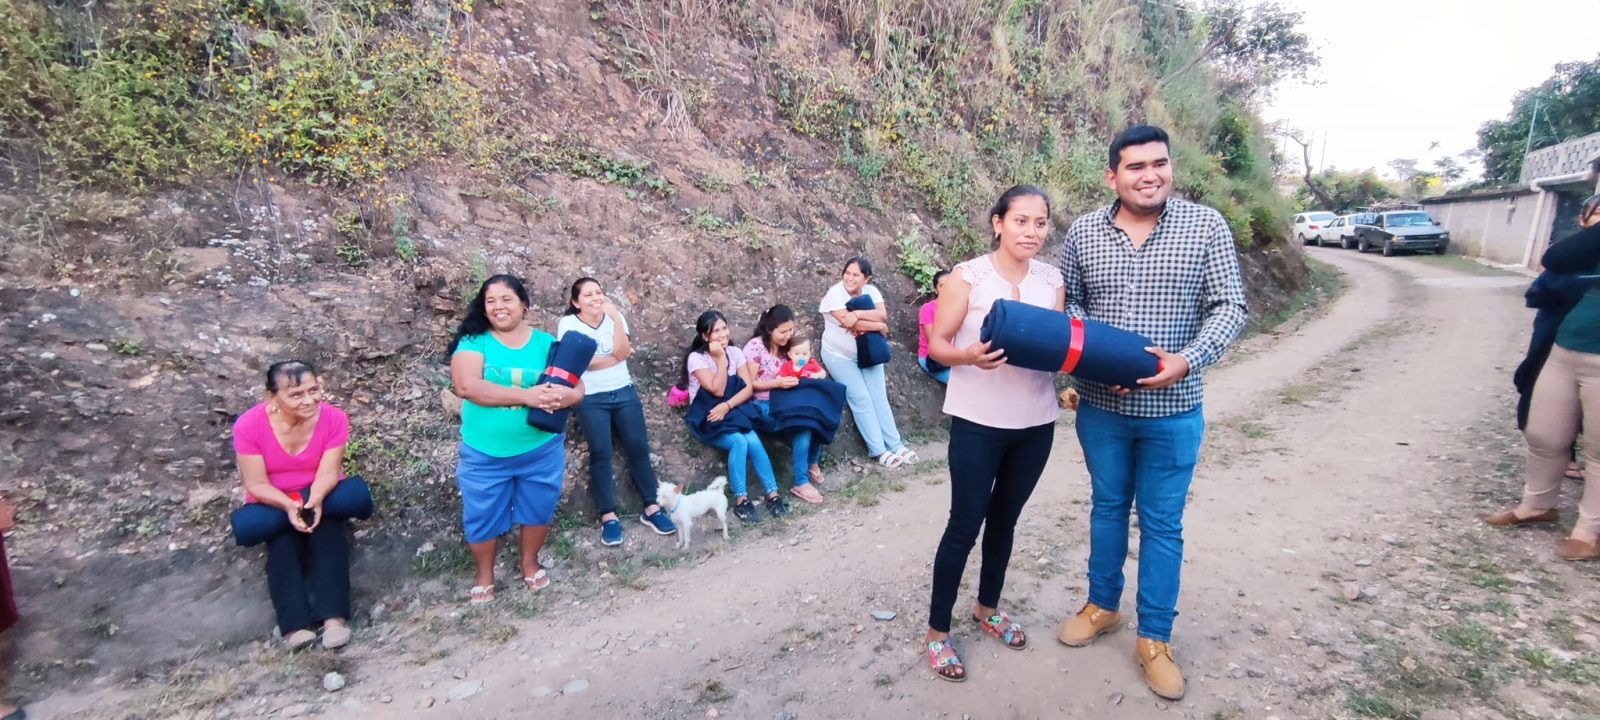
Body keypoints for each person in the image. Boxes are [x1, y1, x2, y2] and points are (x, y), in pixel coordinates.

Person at [1054, 125, 1248, 701]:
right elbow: (1074, 307)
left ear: (1171, 167)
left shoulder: (1206, 225)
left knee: (1162, 523)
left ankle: (1155, 638)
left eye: (1159, 163)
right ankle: (1102, 605)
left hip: (1175, 408)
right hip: (1102, 407)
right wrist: (1088, 367)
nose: (1150, 175)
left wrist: (1188, 360)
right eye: (1135, 166)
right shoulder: (1084, 233)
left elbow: (1230, 306)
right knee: (1108, 507)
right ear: (1112, 176)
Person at [921, 185, 1065, 682]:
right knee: (965, 524)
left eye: (1040, 222)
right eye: (1021, 220)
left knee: (1005, 521)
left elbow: (1056, 346)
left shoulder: (1052, 280)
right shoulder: (967, 277)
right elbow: (938, 344)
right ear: (998, 222)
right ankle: (938, 634)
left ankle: (987, 609)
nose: (1032, 231)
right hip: (978, 423)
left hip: (1036, 423)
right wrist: (969, 357)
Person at [450, 275, 584, 604]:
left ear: (524, 304)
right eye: (491, 301)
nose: (498, 307)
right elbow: (466, 387)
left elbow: (577, 386)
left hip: (540, 449)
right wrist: (529, 396)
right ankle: (484, 573)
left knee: (538, 508)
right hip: (484, 452)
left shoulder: (544, 343)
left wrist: (563, 399)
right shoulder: (473, 341)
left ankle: (529, 563)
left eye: (506, 299)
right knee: (481, 515)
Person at [1489, 201, 1600, 561]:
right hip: (1568, 344)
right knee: (1544, 433)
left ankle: (1589, 531)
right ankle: (1538, 505)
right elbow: (1558, 258)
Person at [233, 360, 357, 651]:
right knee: (282, 541)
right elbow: (256, 484)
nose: (309, 400)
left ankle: (334, 620)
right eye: (296, 394)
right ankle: (294, 627)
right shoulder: (249, 426)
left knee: (327, 530)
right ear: (272, 398)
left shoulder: (334, 418)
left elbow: (329, 471)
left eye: (313, 390)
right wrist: (289, 507)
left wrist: (313, 501)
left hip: (318, 491)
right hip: (274, 499)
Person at [558, 277, 677, 547]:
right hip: (591, 396)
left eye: (598, 292)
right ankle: (608, 516)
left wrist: (612, 316)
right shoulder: (569, 324)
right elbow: (580, 364)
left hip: (624, 392)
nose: (595, 298)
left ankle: (652, 508)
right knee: (601, 452)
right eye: (588, 295)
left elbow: (624, 351)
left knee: (638, 448)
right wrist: (614, 358)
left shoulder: (615, 317)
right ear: (576, 302)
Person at [683, 310, 791, 523]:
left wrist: (728, 405)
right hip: (708, 417)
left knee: (752, 439)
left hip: (732, 411)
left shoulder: (735, 352)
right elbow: (716, 389)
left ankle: (773, 495)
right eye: (716, 331)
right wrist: (720, 359)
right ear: (705, 336)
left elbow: (748, 388)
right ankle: (741, 501)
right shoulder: (696, 358)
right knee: (739, 442)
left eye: (724, 328)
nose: (722, 334)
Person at [818, 257, 917, 468]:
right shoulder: (835, 294)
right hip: (839, 355)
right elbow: (847, 322)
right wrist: (878, 326)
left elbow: (883, 316)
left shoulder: (872, 292)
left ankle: (896, 444)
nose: (850, 278)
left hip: (868, 352)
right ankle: (879, 450)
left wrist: (859, 314)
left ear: (866, 279)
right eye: (847, 273)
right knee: (861, 398)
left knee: (879, 396)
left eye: (856, 275)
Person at [742, 305, 827, 504]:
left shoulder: (789, 347)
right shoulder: (755, 347)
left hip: (790, 400)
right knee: (802, 425)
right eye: (783, 331)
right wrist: (777, 383)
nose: (787, 335)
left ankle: (812, 461)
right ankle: (801, 481)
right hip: (763, 404)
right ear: (770, 329)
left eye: (791, 330)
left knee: (819, 412)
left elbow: (807, 364)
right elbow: (749, 384)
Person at [917, 270, 952, 384]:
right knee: (962, 385)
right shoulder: (928, 309)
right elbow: (934, 341)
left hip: (953, 357)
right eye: (942, 286)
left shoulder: (959, 308)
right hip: (933, 359)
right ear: (936, 289)